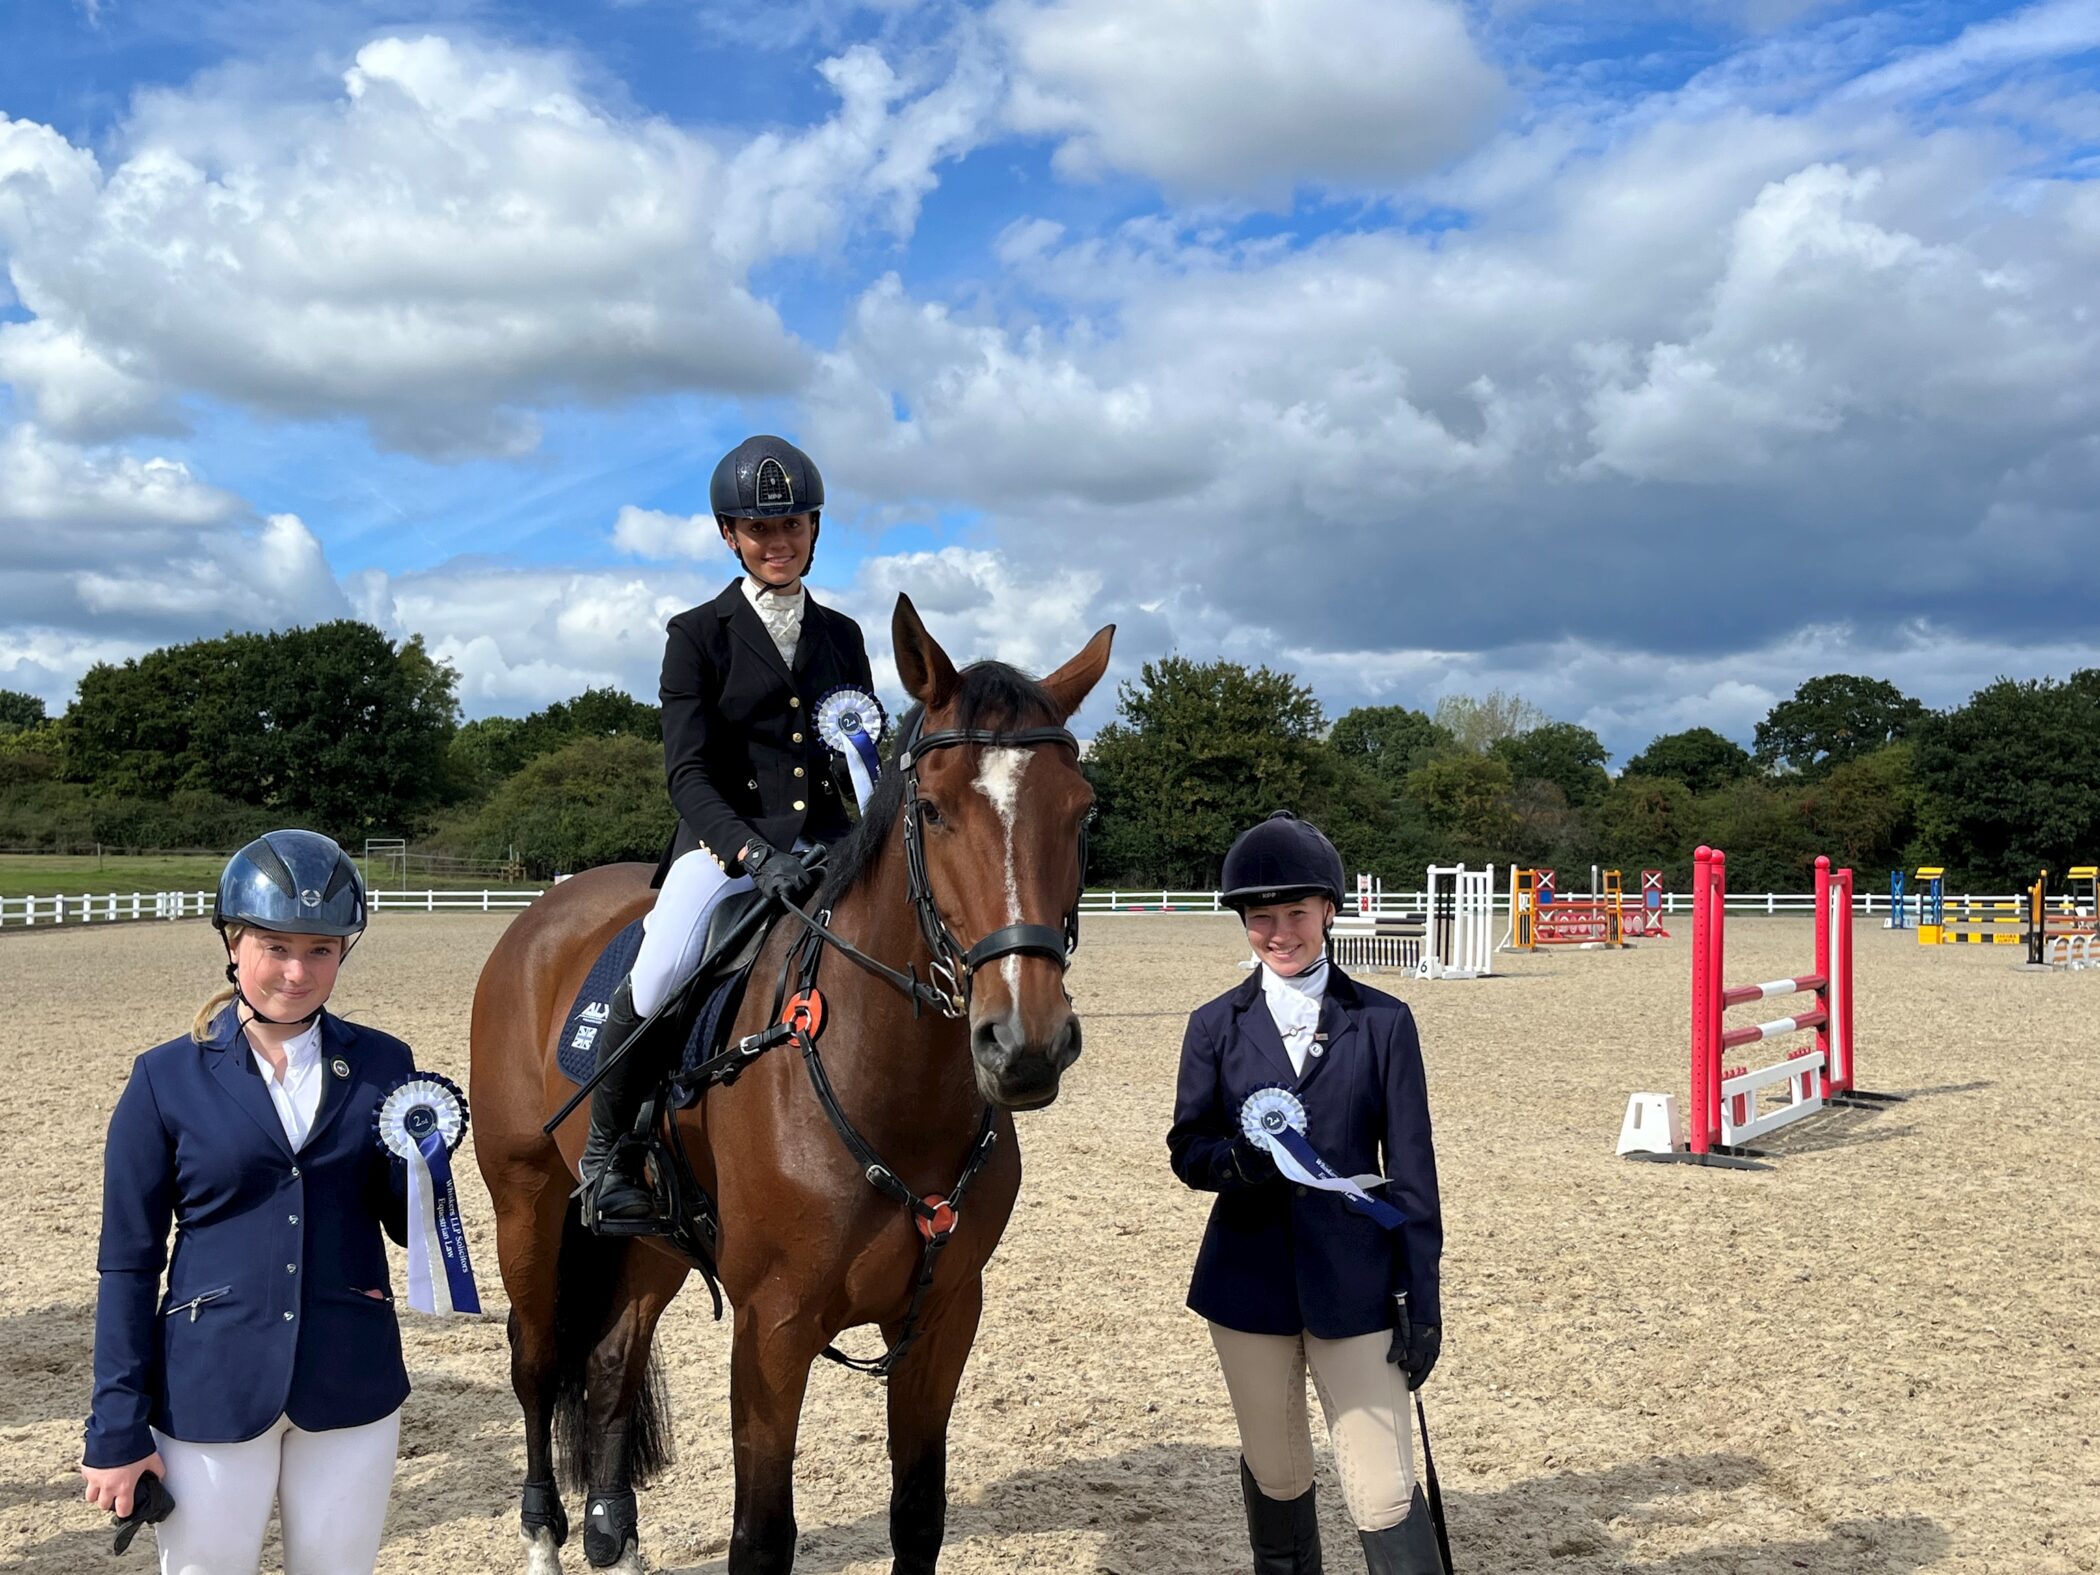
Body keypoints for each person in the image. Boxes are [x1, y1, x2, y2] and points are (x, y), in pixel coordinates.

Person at [81, 830, 414, 1574]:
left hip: (349, 1380)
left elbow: (402, 1222)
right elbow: (128, 1265)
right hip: (211, 1387)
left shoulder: (385, 1063)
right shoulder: (164, 1078)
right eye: (275, 946)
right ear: (233, 943)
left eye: (322, 949)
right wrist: (115, 1428)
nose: (298, 972)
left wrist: (421, 1162)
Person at [581, 433, 876, 1232]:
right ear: (729, 536)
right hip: (726, 849)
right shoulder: (696, 633)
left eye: (791, 527)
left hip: (827, 844)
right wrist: (753, 853)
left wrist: (868, 839)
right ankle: (607, 1154)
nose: (776, 543)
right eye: (758, 529)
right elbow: (688, 775)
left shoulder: (843, 636)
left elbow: (857, 760)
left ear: (815, 530)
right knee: (661, 968)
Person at [1167, 812, 1446, 1574]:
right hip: (1246, 1284)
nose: (1280, 931)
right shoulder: (1212, 1026)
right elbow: (1186, 1148)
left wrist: (1423, 1299)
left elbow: (1414, 1171)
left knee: (1384, 1488)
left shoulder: (1385, 1022)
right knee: (1279, 1472)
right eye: (1262, 917)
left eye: (1296, 913)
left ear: (1329, 909)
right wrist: (1241, 1163)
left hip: (1357, 1283)